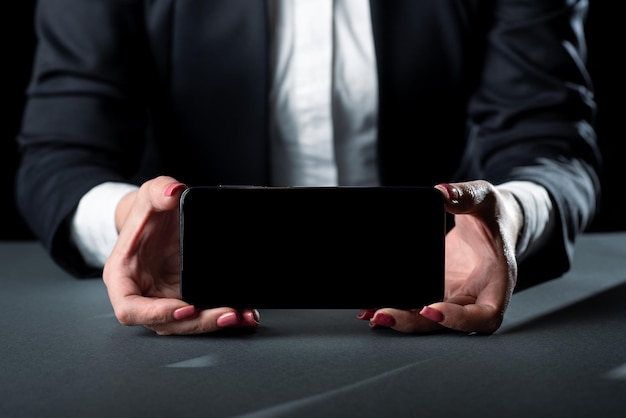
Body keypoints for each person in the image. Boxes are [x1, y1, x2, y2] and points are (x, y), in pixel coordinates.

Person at [16, 0, 601, 336]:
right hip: (207, 340)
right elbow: (59, 156)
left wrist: (509, 217)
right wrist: (136, 223)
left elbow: (549, 140)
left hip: (437, 322)